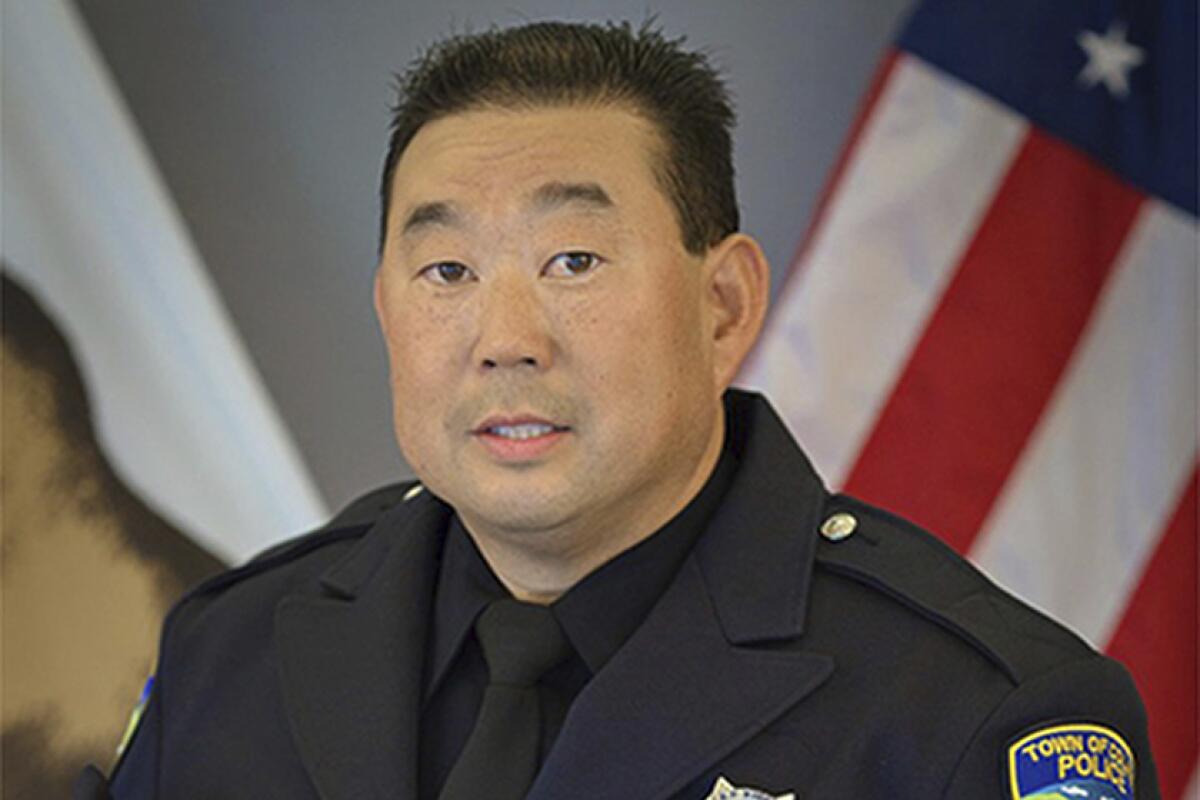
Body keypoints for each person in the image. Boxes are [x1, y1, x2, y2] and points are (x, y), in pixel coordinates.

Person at [79, 20, 1159, 800]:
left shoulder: (973, 716)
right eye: (446, 269)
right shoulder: (232, 649)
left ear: (723, 303)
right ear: (385, 309)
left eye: (573, 259)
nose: (505, 335)